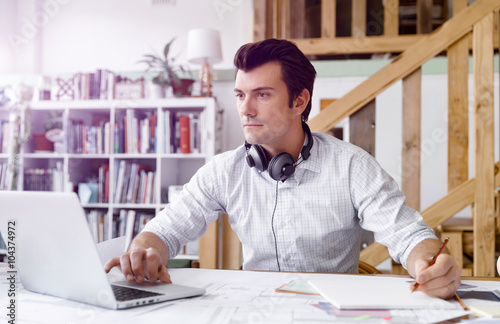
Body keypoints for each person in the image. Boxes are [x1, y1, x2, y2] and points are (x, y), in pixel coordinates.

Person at [105, 39, 461, 299]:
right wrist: (146, 251)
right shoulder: (223, 170)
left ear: (300, 101)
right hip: (252, 313)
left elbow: (409, 236)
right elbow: (165, 231)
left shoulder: (351, 166)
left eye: (262, 94)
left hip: (329, 315)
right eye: (241, 95)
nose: (245, 109)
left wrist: (429, 264)